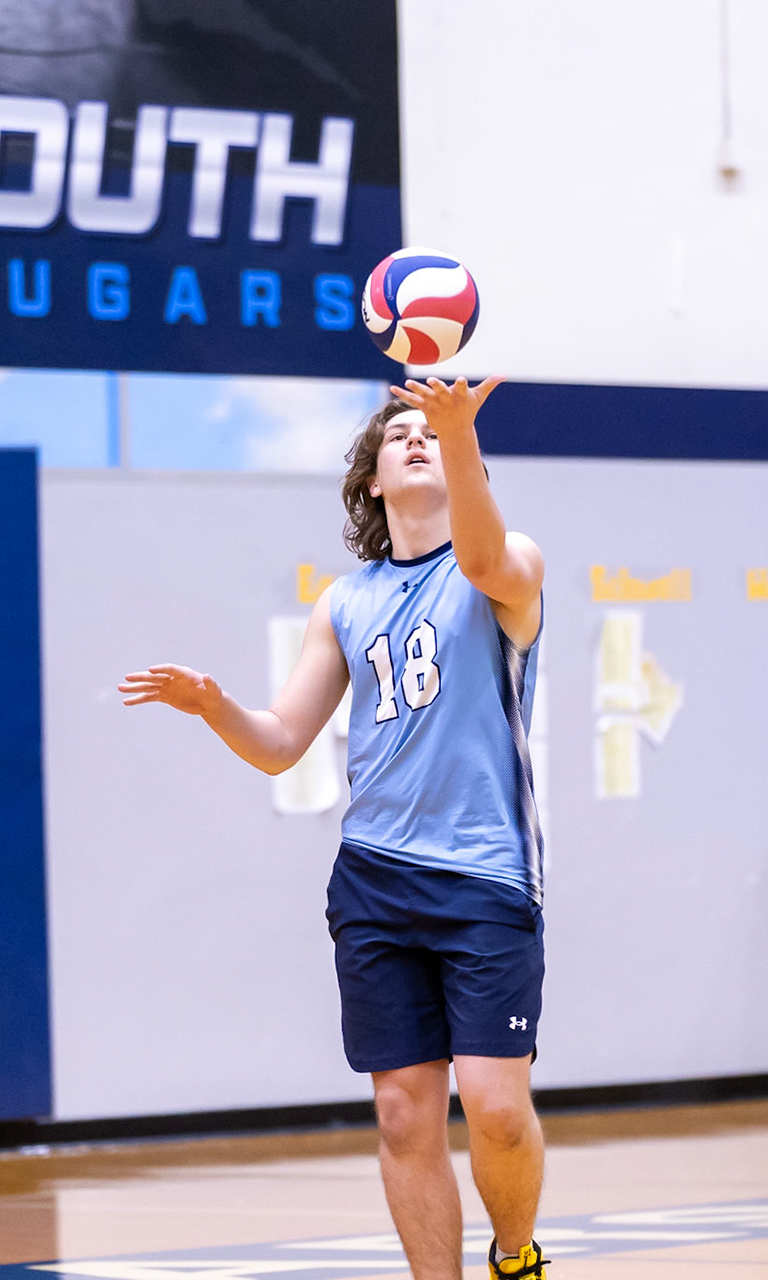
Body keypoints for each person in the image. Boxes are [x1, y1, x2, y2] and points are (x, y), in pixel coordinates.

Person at [120, 376, 551, 1280]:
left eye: (431, 433)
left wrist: (460, 432)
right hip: (375, 878)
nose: (417, 440)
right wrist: (213, 705)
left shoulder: (507, 564)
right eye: (399, 436)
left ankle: (516, 1258)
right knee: (402, 1112)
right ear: (372, 482)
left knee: (497, 1109)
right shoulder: (345, 602)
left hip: (485, 876)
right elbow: (281, 744)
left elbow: (482, 561)